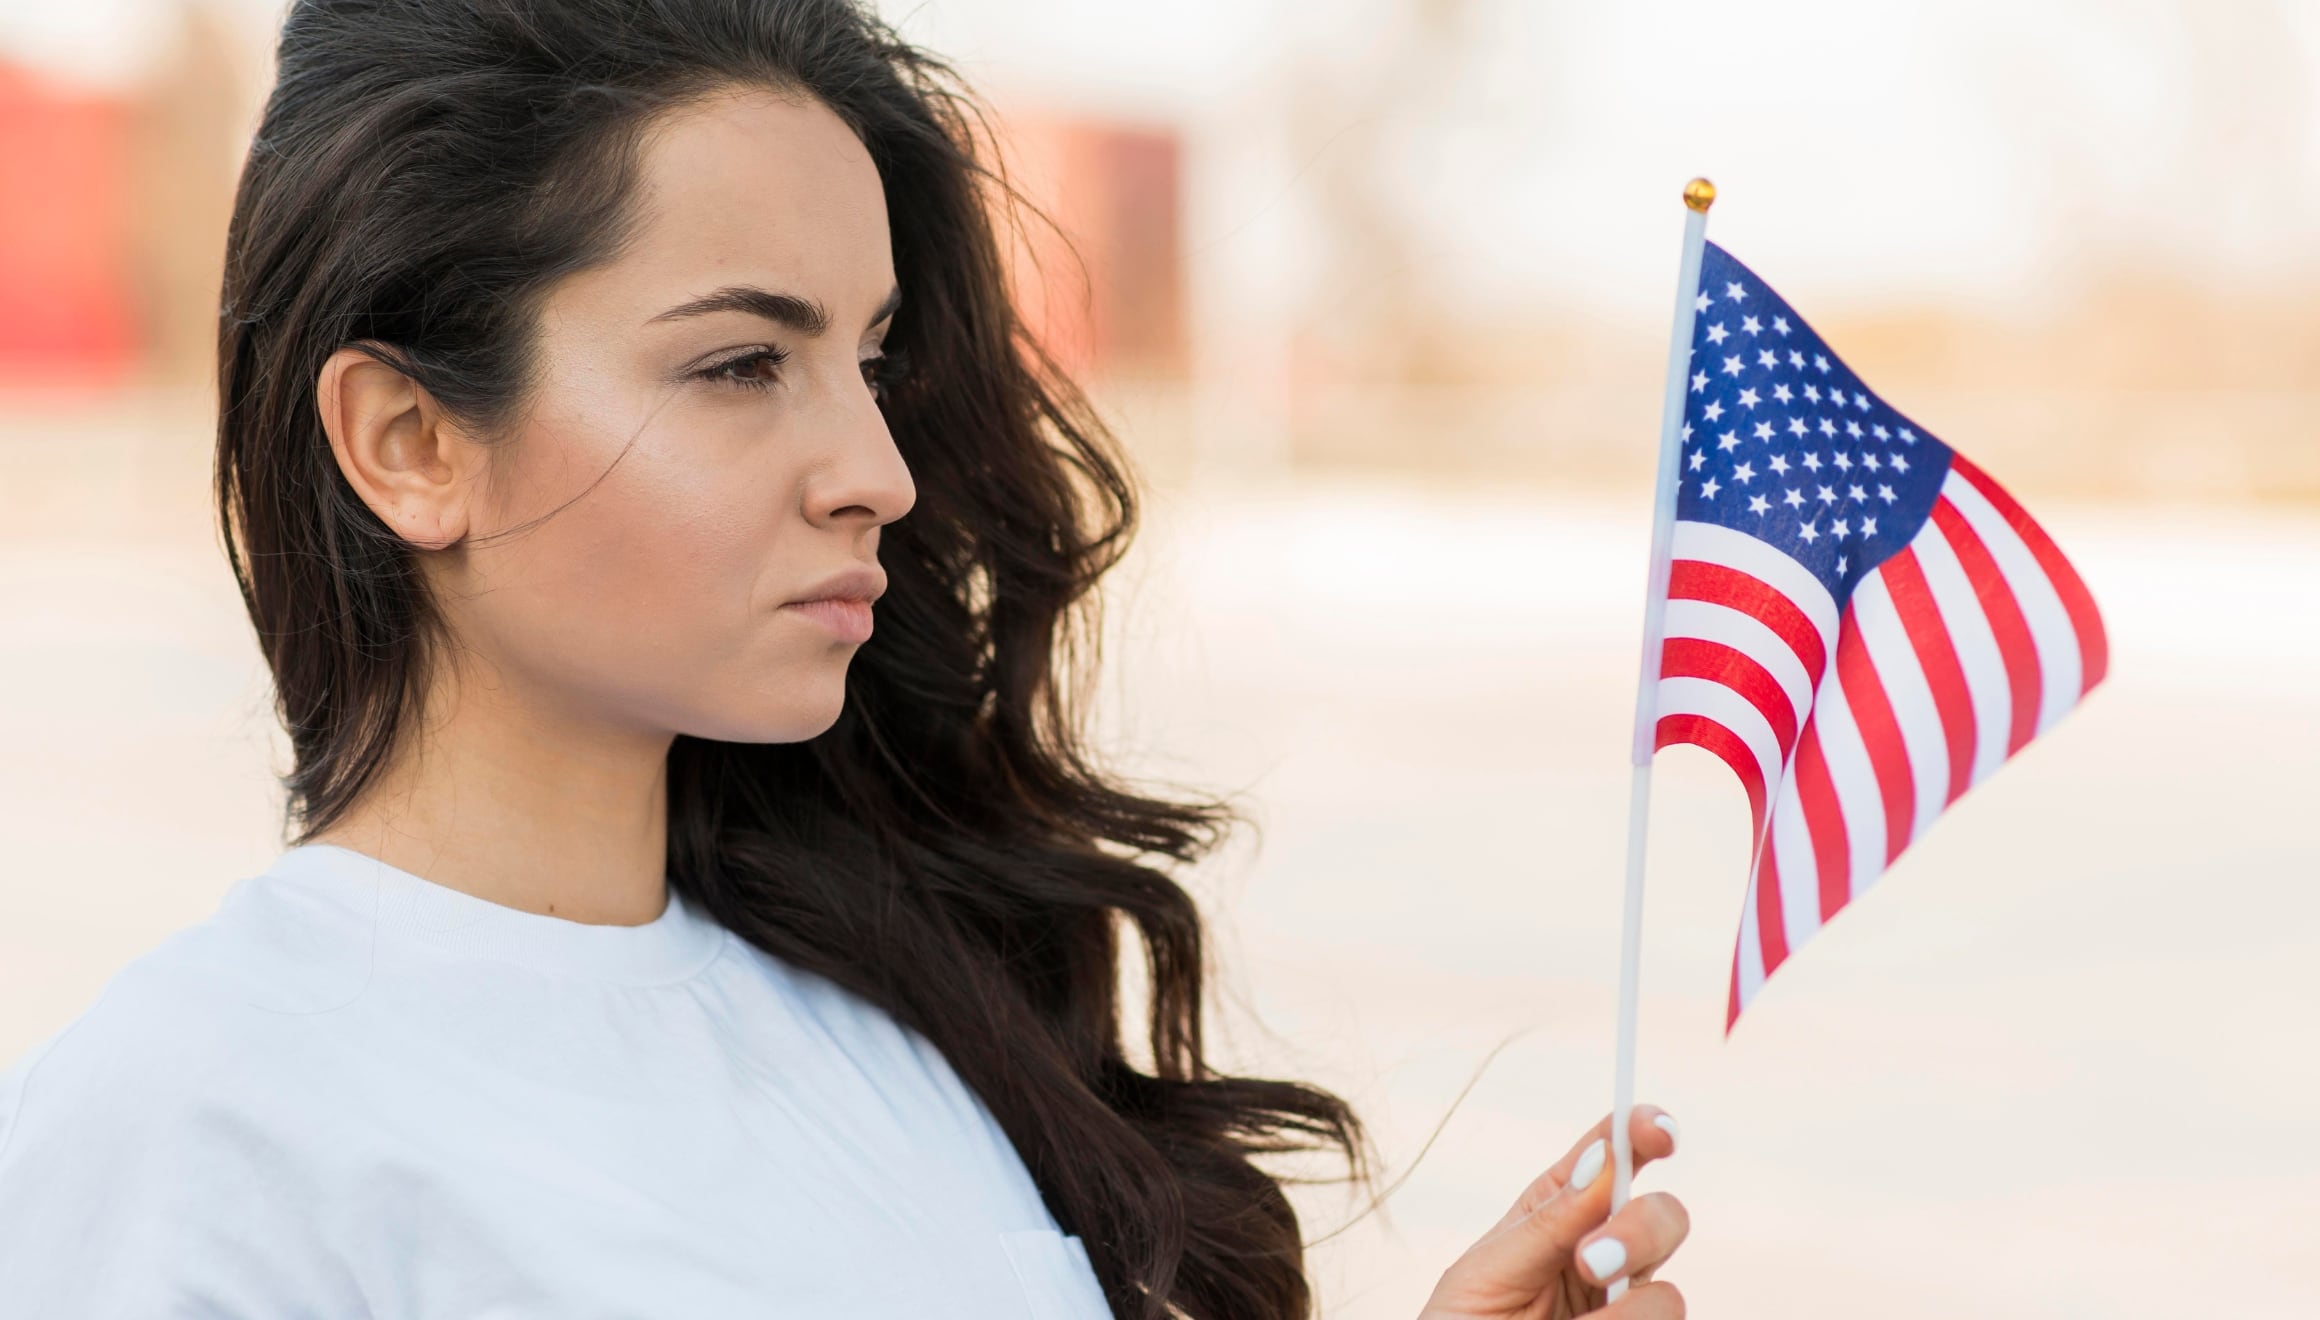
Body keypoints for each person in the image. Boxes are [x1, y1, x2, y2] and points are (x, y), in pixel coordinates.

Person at [0, 0, 1688, 1315]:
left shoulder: (906, 1027)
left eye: (870, 362)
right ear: (410, 441)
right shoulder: (192, 1129)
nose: (876, 470)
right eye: (743, 364)